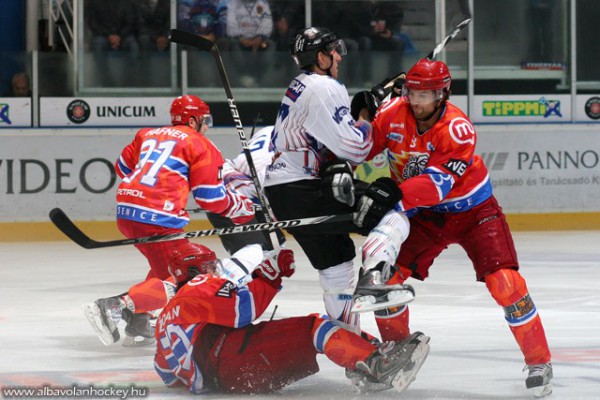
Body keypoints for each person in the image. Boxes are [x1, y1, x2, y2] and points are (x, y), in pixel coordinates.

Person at [353, 58, 553, 397]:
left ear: (443, 94)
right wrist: (361, 119)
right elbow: (359, 149)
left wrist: (394, 195)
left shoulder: (457, 128)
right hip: (427, 218)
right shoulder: (392, 114)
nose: (416, 102)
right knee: (385, 279)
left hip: (475, 212)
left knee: (506, 283)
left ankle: (539, 361)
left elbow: (435, 186)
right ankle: (398, 353)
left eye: (425, 95)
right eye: (412, 93)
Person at [263, 27, 417, 344]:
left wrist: (363, 108)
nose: (338, 56)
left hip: (282, 194)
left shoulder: (302, 85)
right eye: (333, 50)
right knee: (392, 209)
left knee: (336, 272)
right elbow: (356, 149)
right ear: (320, 57)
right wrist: (371, 114)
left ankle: (355, 351)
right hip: (307, 189)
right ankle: (374, 278)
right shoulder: (324, 87)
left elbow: (330, 139)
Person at [83, 95, 255, 345]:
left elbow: (122, 168)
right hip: (157, 215)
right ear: (193, 120)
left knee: (168, 264)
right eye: (205, 120)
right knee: (188, 272)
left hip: (127, 209)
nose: (207, 126)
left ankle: (138, 317)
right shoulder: (202, 144)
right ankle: (113, 307)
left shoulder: (148, 134)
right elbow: (209, 197)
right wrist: (242, 208)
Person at [154, 243, 429, 394]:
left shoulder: (167, 316)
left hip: (226, 380)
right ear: (192, 270)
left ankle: (371, 355)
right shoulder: (198, 285)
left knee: (315, 329)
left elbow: (167, 374)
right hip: (233, 357)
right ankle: (378, 365)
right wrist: (270, 274)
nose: (214, 270)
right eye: (208, 266)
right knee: (317, 326)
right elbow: (243, 309)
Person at [206, 125, 286, 255]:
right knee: (254, 257)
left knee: (277, 252)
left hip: (237, 177)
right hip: (232, 192)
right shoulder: (267, 172)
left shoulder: (271, 129)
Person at [225, 0, 275, 87]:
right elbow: (230, 24)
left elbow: (267, 24)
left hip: (259, 40)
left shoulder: (263, 4)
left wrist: (259, 38)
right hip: (239, 40)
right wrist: (241, 38)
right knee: (233, 46)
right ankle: (244, 77)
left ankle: (259, 80)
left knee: (271, 46)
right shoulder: (232, 3)